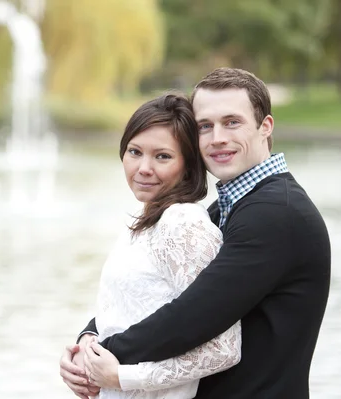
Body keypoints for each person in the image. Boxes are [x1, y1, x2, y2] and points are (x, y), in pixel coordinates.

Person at [60, 68, 331, 399]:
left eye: (232, 122)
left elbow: (191, 316)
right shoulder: (230, 206)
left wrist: (102, 355)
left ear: (265, 127)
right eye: (205, 126)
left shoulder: (277, 214)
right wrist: (89, 337)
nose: (217, 137)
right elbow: (154, 297)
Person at [60, 92, 242, 399]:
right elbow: (129, 312)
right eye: (134, 152)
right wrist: (84, 348)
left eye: (162, 156)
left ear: (188, 165)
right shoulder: (148, 221)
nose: (144, 168)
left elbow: (224, 349)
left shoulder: (184, 225)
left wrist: (122, 376)